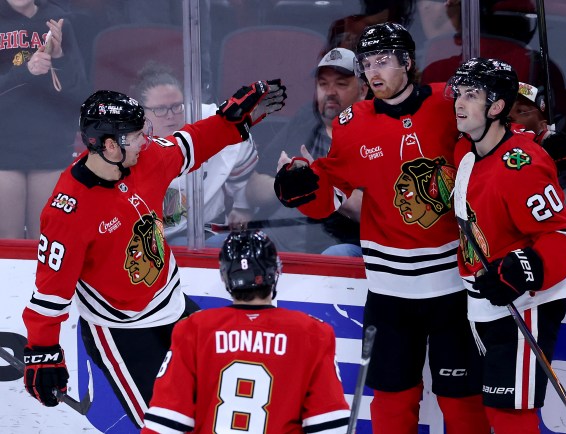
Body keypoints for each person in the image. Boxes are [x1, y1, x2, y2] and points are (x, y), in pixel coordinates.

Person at [21, 81, 286, 428]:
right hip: (120, 327)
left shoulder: (146, 158)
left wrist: (230, 121)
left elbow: (190, 144)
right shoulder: (67, 210)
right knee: (163, 423)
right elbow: (50, 291)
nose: (145, 139)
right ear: (108, 145)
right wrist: (43, 352)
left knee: (218, 402)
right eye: (135, 134)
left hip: (172, 303)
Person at [273, 23, 490, 434]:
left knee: (462, 406)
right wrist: (301, 188)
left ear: (408, 63)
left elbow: (492, 147)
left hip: (453, 289)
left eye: (384, 61)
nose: (374, 72)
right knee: (391, 404)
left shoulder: (449, 103)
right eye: (367, 64)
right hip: (389, 294)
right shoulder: (353, 122)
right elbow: (333, 189)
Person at [446, 57, 566, 434]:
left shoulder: (520, 164)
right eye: (458, 93)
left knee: (511, 416)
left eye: (471, 95)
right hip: (483, 302)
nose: (459, 103)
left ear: (496, 107)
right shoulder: (465, 153)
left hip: (526, 303)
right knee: (492, 410)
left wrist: (523, 269)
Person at [141, 230, 351, 433]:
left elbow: (165, 423)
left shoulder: (194, 329)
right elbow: (329, 426)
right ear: (276, 272)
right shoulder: (313, 333)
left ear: (225, 277)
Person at [246, 47, 367, 255]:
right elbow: (253, 188)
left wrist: (319, 182)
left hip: (334, 242)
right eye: (323, 84)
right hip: (275, 234)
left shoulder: (374, 130)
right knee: (222, 245)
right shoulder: (306, 119)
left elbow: (371, 211)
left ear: (363, 90)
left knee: (335, 257)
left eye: (341, 84)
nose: (330, 92)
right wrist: (287, 184)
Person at [131, 62, 257, 247]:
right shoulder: (125, 144)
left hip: (205, 232)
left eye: (176, 106)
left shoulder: (207, 118)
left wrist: (242, 205)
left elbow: (238, 135)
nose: (170, 115)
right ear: (140, 112)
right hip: (149, 241)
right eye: (159, 109)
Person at [0, 0, 88, 239]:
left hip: (49, 146)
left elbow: (79, 92)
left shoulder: (59, 21)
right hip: (4, 148)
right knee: (8, 240)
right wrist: (26, 71)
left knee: (47, 238)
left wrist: (58, 56)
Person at [510, 81, 566, 277]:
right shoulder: (477, 163)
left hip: (549, 283)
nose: (510, 117)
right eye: (504, 110)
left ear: (543, 124)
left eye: (521, 110)